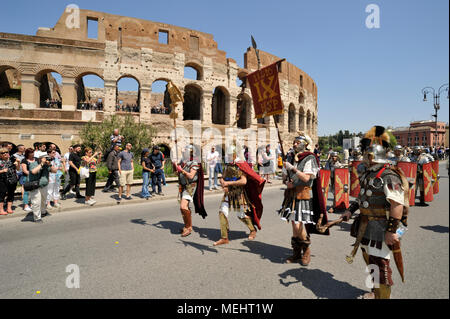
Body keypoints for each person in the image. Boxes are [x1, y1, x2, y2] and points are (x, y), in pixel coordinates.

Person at [342, 125, 408, 299]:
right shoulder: (369, 175)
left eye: (367, 155)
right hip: (365, 226)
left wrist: (392, 231)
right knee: (369, 259)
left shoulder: (388, 176)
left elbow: (397, 205)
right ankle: (374, 292)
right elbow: (362, 199)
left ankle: (382, 296)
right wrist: (350, 211)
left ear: (373, 157)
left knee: (381, 268)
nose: (364, 157)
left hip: (381, 228)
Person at [277, 132, 327, 266]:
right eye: (294, 142)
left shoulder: (310, 158)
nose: (294, 144)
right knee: (294, 223)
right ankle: (296, 252)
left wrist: (292, 169)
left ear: (304, 144)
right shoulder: (291, 157)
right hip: (291, 194)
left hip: (303, 193)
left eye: (297, 142)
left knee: (298, 224)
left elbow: (306, 178)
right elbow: (285, 178)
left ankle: (306, 250)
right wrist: (285, 180)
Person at [213, 146, 265, 246]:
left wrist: (228, 184)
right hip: (228, 193)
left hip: (239, 194)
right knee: (222, 212)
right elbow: (222, 177)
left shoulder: (241, 165)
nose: (228, 157)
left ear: (234, 154)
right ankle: (224, 237)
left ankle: (252, 230)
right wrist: (222, 182)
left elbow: (243, 181)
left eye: (229, 155)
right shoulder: (228, 165)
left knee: (241, 215)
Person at [174, 145, 207, 237]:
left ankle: (188, 227)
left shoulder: (194, 163)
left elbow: (191, 176)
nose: (183, 153)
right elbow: (177, 172)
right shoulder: (183, 161)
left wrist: (182, 171)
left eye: (185, 151)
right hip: (183, 186)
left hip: (190, 186)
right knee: (184, 208)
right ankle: (187, 226)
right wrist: (176, 168)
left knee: (183, 207)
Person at [28, 152, 58, 223]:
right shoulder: (33, 164)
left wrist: (49, 164)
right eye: (45, 157)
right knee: (36, 202)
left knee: (43, 200)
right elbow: (33, 171)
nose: (46, 159)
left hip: (44, 185)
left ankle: (43, 212)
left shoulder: (47, 165)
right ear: (40, 158)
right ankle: (37, 217)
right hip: (35, 186)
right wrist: (41, 164)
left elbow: (55, 171)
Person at [0, 148, 19, 215]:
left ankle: (9, 208)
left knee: (11, 194)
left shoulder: (11, 160)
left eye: (6, 152)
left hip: (12, 179)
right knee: (2, 194)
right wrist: (2, 171)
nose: (5, 154)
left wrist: (18, 163)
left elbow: (18, 169)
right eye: (2, 153)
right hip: (2, 180)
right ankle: (1, 210)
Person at [21, 148, 35, 212]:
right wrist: (32, 173)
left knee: (34, 192)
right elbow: (24, 170)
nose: (32, 154)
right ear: (27, 154)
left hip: (35, 178)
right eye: (31, 152)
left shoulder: (36, 159)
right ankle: (26, 206)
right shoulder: (24, 160)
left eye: (33, 152)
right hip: (26, 177)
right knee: (26, 192)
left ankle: (32, 204)